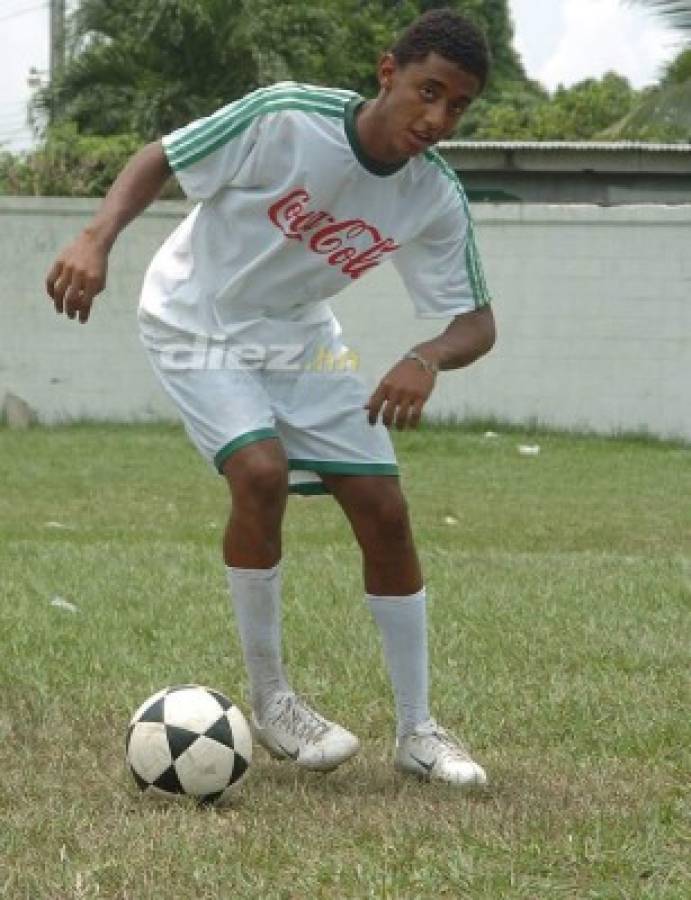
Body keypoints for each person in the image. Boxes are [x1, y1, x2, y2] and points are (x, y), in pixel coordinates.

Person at [46, 8, 496, 788]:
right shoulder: (288, 116)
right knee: (258, 474)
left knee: (384, 511)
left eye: (457, 105)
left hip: (299, 334)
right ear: (387, 72)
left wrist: (426, 356)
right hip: (195, 312)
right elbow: (161, 156)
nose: (437, 117)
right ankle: (273, 700)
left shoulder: (432, 194)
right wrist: (96, 236)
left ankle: (417, 731)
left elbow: (477, 321)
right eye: (428, 91)